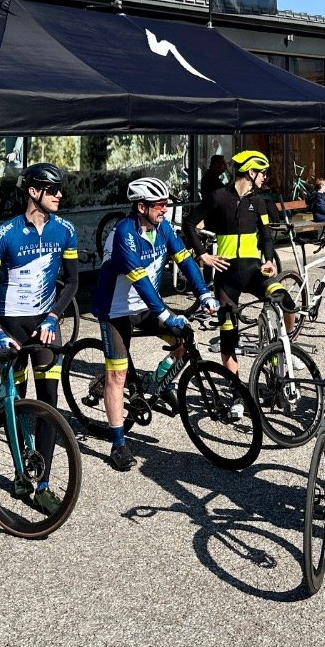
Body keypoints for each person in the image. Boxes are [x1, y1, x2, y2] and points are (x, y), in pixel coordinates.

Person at [0, 161, 79, 515]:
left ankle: (44, 483)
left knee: (49, 405)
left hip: (45, 325)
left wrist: (53, 315)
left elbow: (74, 282)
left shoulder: (65, 231)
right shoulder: (4, 235)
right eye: (53, 189)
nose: (60, 195)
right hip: (12, 326)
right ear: (34, 192)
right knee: (14, 402)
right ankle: (21, 470)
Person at [91, 176, 215, 472]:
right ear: (141, 206)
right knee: (117, 377)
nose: (165, 209)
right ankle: (118, 443)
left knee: (186, 339)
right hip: (115, 309)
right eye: (160, 205)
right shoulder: (124, 233)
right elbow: (141, 280)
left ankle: (156, 382)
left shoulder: (163, 229)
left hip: (146, 305)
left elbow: (184, 260)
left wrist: (205, 293)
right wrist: (164, 314)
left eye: (166, 204)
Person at [182, 149, 292, 410]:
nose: (265, 177)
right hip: (227, 277)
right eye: (262, 172)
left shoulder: (260, 202)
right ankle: (237, 394)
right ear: (250, 172)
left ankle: (288, 347)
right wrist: (203, 256)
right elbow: (189, 224)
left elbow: (266, 235)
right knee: (229, 336)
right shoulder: (219, 197)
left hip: (255, 271)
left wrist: (267, 259)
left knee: (287, 301)